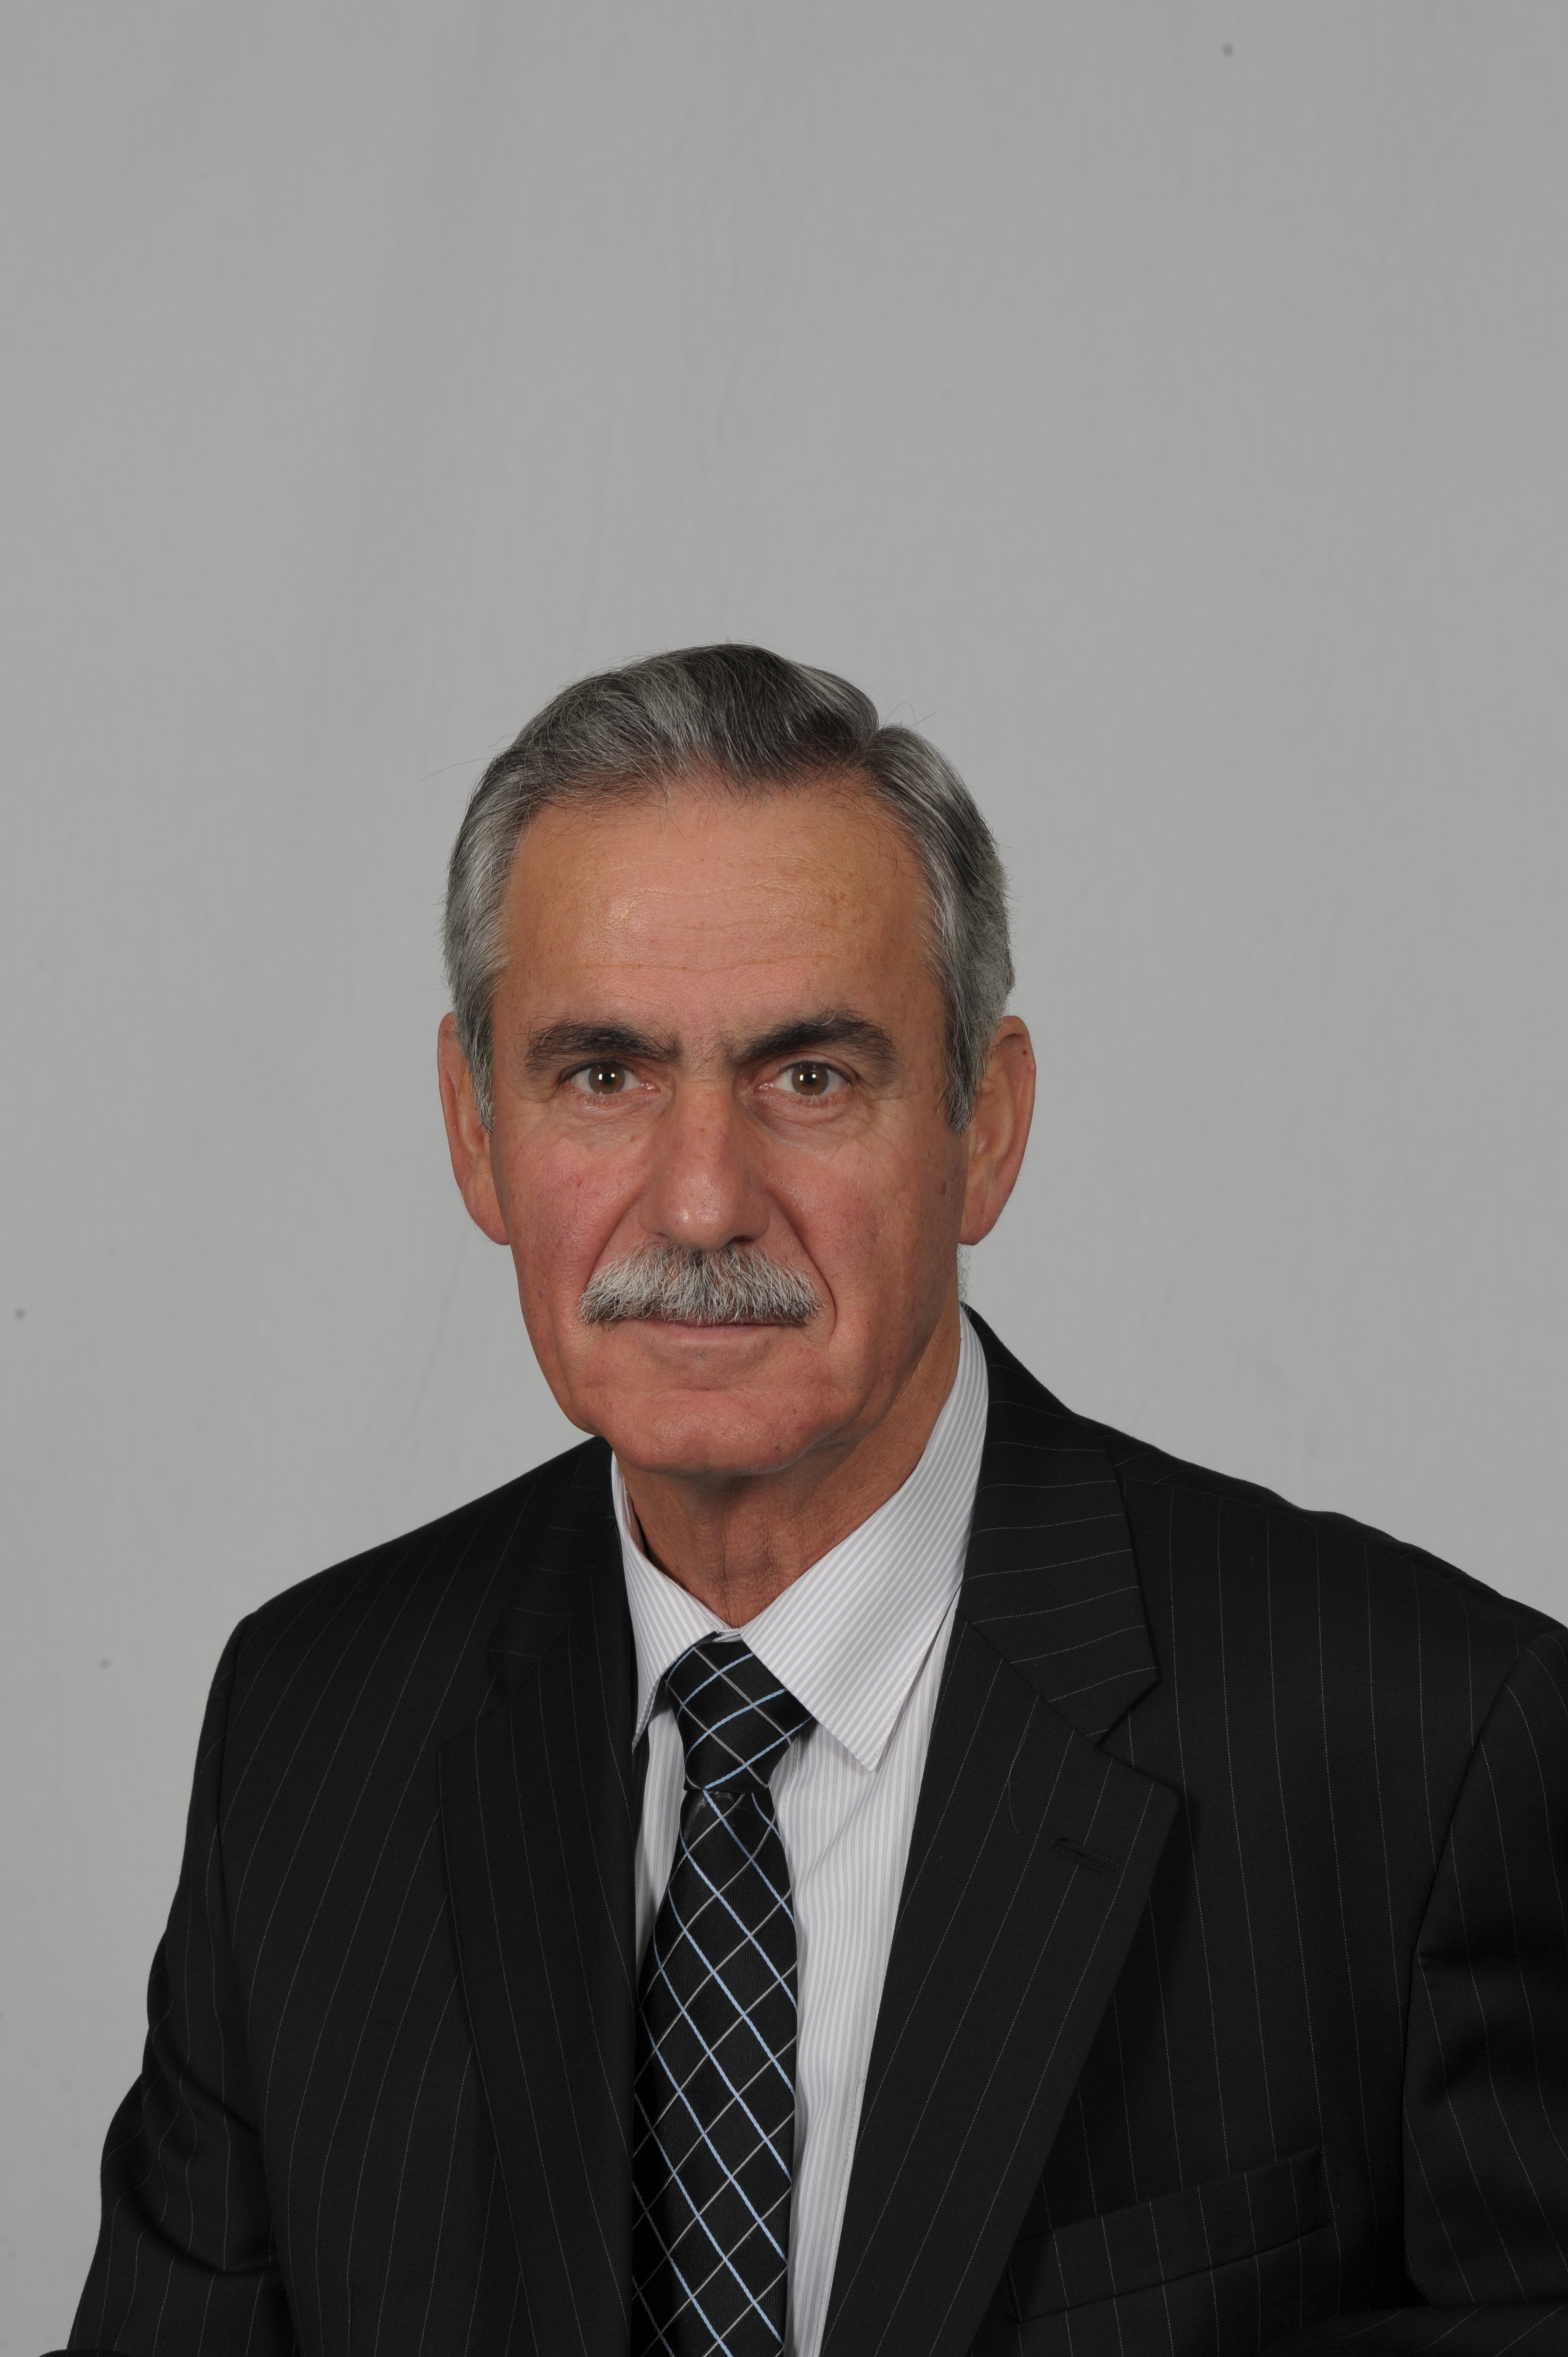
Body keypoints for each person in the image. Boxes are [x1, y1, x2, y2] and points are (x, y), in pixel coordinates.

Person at [58, 646, 1568, 2357]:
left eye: (810, 1077)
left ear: (985, 1126)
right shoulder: (310, 1736)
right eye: (604, 1075)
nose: (703, 1202)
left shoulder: (1425, 1751)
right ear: (477, 1133)